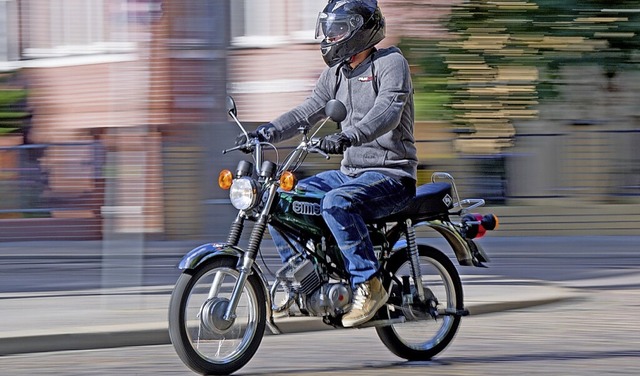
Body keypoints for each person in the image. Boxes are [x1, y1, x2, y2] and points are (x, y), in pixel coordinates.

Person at [235, 0, 417, 327]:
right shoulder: (336, 73)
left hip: (392, 176)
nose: (331, 35)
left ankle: (369, 283)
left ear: (361, 29)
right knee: (281, 198)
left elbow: (387, 113)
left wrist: (348, 137)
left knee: (336, 203)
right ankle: (302, 284)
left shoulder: (391, 63)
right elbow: (307, 111)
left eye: (339, 28)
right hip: (352, 174)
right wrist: (264, 133)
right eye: (329, 28)